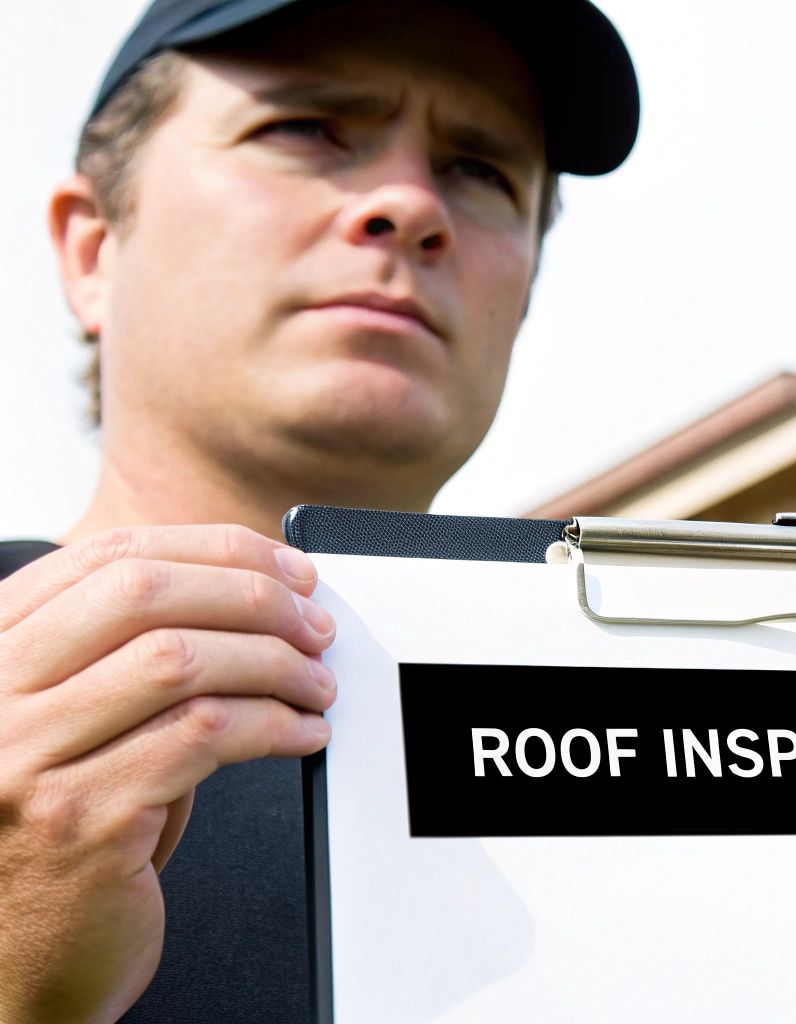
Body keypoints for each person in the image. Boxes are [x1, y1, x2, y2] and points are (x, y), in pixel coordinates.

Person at [0, 0, 638, 1019]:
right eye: (305, 128)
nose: (408, 203)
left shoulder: (656, 756)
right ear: (92, 248)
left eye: (479, 169)